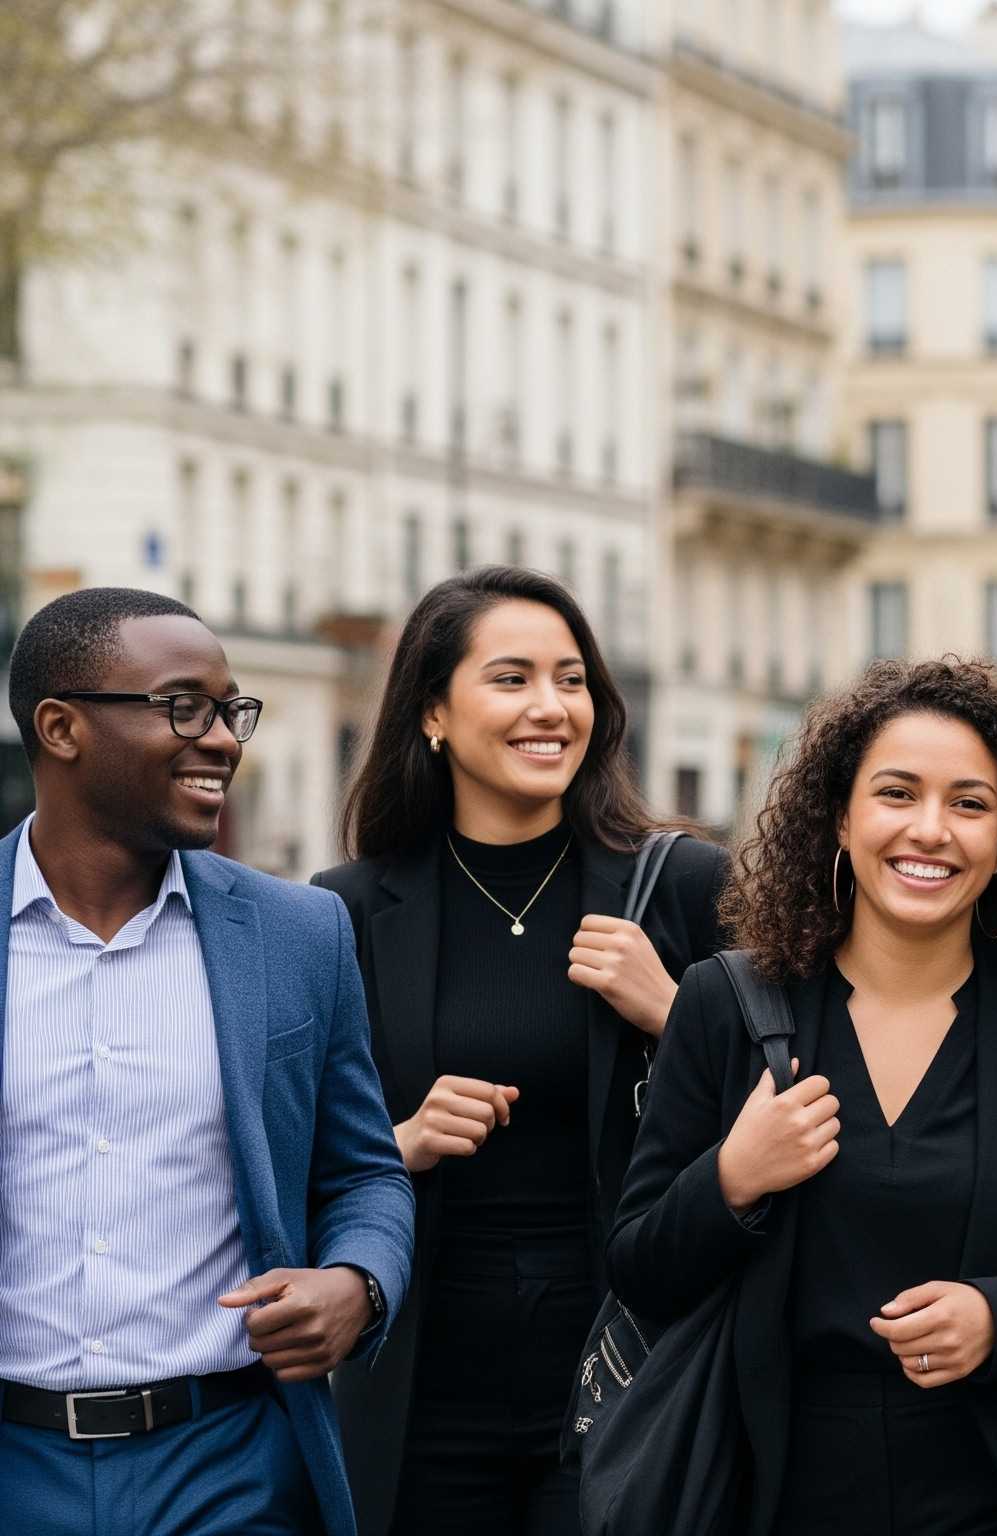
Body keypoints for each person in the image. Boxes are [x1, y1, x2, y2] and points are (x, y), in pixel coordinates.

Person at [606, 657, 997, 1535]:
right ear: (841, 816)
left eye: (970, 804)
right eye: (897, 794)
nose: (930, 830)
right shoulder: (725, 1004)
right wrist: (732, 1178)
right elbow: (639, 1266)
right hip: (776, 1492)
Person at [315, 568, 730, 1536]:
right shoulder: (348, 910)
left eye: (571, 680)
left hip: (623, 1376)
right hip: (420, 1390)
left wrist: (675, 1015)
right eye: (512, 679)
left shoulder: (682, 887)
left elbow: (797, 1107)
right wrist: (401, 1143)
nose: (552, 707)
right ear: (432, 712)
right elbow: (289, 1157)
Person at [0, 588, 412, 1536]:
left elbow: (364, 1173)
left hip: (228, 1467)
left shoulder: (300, 933)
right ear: (60, 727)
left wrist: (357, 1282)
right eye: (185, 707)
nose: (223, 740)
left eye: (232, 711)